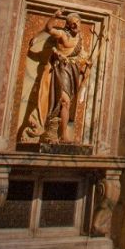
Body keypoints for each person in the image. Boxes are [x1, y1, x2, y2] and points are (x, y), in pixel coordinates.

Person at [17, 10, 94, 147]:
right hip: (60, 69)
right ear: (69, 25)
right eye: (73, 23)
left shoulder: (80, 39)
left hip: (72, 71)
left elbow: (81, 55)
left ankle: (62, 133)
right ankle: (61, 134)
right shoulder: (62, 34)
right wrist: (54, 16)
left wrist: (87, 62)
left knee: (66, 103)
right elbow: (48, 29)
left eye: (77, 22)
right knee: (63, 101)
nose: (76, 25)